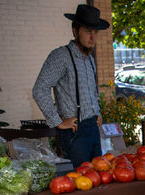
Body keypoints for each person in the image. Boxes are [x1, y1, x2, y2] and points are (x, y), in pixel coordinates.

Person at [32, 4, 108, 168]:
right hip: (75, 131)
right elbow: (40, 89)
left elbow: (92, 91)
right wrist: (57, 121)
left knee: (98, 177)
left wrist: (97, 112)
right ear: (75, 30)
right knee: (80, 181)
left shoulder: (90, 60)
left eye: (95, 32)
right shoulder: (60, 57)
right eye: (88, 31)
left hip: (93, 129)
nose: (92, 37)